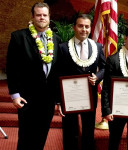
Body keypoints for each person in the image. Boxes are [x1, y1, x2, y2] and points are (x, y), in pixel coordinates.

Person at [6, 2, 61, 150]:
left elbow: (57, 71)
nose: (42, 18)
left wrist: (59, 99)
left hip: (48, 98)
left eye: (45, 15)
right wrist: (15, 94)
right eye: (38, 15)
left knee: (42, 135)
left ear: (49, 17)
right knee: (26, 137)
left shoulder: (56, 39)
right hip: (27, 97)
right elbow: (11, 67)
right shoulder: (18, 37)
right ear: (32, 17)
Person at [58, 14, 106, 150]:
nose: (84, 29)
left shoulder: (97, 46)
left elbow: (104, 68)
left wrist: (97, 77)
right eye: (80, 26)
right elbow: (59, 73)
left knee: (88, 129)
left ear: (90, 28)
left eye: (87, 26)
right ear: (74, 27)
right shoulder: (63, 47)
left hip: (90, 95)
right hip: (69, 96)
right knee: (69, 129)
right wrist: (59, 100)